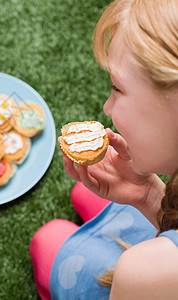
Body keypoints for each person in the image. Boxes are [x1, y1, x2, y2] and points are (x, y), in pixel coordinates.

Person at [29, 0, 178, 299]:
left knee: (47, 241)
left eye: (117, 88)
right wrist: (148, 195)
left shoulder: (146, 271)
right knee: (82, 193)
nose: (107, 107)